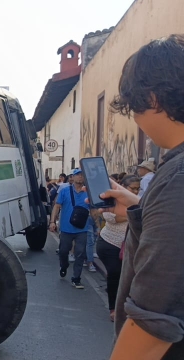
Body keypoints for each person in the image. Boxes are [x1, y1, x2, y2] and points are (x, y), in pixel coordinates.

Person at [103, 34, 184, 360]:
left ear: (152, 99)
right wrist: (139, 207)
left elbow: (154, 320)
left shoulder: (178, 177)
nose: (136, 120)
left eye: (134, 108)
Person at [96, 175, 139, 322]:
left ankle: (125, 306)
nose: (135, 191)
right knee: (115, 273)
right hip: (110, 243)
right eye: (132, 188)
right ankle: (113, 308)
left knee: (128, 278)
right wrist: (134, 213)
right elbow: (112, 217)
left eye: (138, 189)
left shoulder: (138, 202)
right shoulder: (111, 199)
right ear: (123, 187)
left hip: (129, 246)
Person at [49, 168, 89, 289]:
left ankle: (76, 278)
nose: (80, 177)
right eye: (78, 175)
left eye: (82, 175)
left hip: (82, 228)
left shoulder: (88, 192)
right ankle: (64, 265)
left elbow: (93, 208)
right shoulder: (65, 191)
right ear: (72, 177)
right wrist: (52, 221)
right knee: (63, 251)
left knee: (80, 253)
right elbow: (57, 206)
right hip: (66, 228)